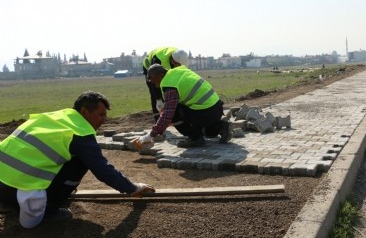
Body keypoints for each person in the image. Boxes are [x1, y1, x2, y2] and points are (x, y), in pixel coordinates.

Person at [0, 91, 155, 228]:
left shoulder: (55, 117)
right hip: (20, 190)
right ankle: (49, 211)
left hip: (3, 184)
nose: (105, 120)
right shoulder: (80, 131)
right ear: (85, 111)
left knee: (69, 155)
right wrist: (133, 188)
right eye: (101, 115)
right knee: (81, 161)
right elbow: (102, 170)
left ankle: (9, 203)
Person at [133, 64, 232, 148]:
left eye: (154, 81)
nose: (155, 85)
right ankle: (221, 127)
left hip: (205, 113)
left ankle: (195, 138)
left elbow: (168, 115)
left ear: (160, 75)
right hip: (216, 109)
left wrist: (150, 135)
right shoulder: (178, 71)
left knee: (174, 113)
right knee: (207, 132)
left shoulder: (169, 84)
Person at [142, 47, 189, 122]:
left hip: (164, 67)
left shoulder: (179, 56)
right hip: (149, 68)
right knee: (156, 95)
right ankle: (158, 121)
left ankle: (174, 116)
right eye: (178, 65)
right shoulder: (158, 60)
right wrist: (158, 99)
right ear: (174, 61)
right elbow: (154, 84)